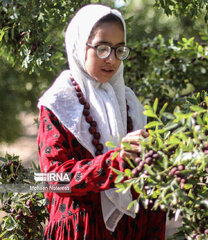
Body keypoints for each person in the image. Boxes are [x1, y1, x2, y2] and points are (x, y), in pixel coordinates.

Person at [37, 4, 166, 239]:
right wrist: (114, 161)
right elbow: (51, 180)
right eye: (102, 48)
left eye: (119, 50)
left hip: (131, 230)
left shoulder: (129, 103)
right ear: (80, 46)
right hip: (82, 230)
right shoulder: (59, 103)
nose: (111, 59)